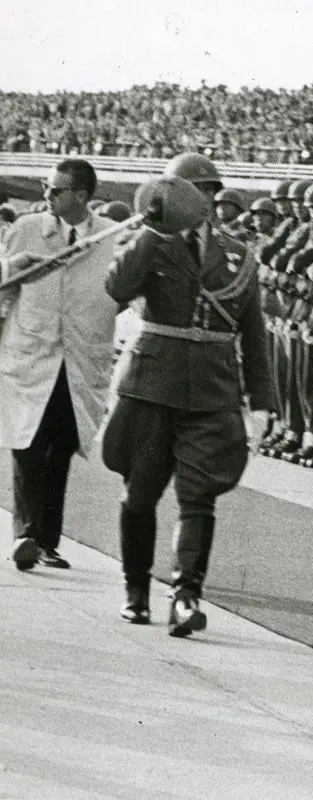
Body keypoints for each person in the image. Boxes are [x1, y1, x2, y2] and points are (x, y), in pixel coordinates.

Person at [102, 153, 273, 635]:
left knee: (198, 499)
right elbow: (116, 289)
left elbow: (254, 334)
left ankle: (186, 594)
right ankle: (136, 588)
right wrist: (153, 233)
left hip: (212, 392)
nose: (205, 199)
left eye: (210, 191)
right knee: (139, 494)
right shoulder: (147, 240)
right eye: (194, 191)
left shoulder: (237, 253)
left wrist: (262, 402)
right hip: (152, 387)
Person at [1, 158, 120, 571]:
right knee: (27, 445)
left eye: (56, 190)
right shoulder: (26, 229)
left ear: (82, 196)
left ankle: (47, 540)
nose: (47, 195)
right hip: (32, 355)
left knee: (62, 447)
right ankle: (27, 535)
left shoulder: (110, 237)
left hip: (80, 361)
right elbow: (4, 292)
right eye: (46, 186)